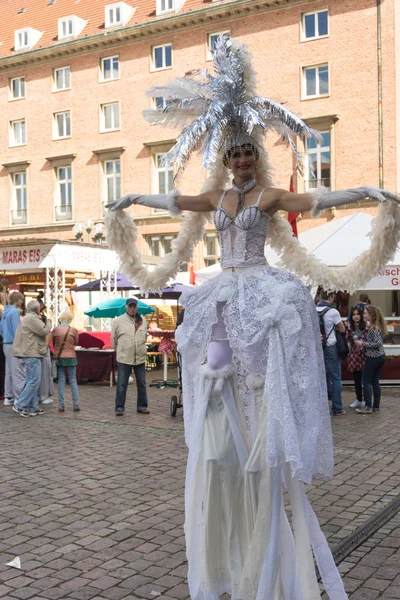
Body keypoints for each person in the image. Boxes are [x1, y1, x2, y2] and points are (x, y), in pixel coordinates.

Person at [105, 37, 400, 600]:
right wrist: (128, 198)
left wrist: (367, 191)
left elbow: (316, 201)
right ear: (224, 158)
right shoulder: (216, 199)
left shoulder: (266, 197)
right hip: (223, 295)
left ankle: (267, 442)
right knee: (215, 375)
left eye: (247, 152)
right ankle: (228, 444)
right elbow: (173, 204)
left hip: (258, 291)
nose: (241, 159)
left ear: (255, 157)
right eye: (234, 152)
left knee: (263, 376)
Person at [12, 300, 52, 417]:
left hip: (30, 352)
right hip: (32, 352)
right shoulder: (32, 318)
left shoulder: (28, 318)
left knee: (31, 381)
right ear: (37, 309)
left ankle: (32, 407)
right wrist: (49, 323)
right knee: (34, 381)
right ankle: (20, 404)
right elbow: (44, 331)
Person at [112, 298, 149, 416]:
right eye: (130, 306)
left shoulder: (142, 320)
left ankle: (142, 406)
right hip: (124, 357)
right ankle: (119, 407)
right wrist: (119, 351)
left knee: (142, 383)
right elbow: (114, 339)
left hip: (140, 357)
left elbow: (145, 337)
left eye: (134, 306)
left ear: (137, 307)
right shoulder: (118, 321)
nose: (132, 308)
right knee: (122, 384)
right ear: (126, 307)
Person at [317, 291, 346, 416]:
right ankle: (337, 408)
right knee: (335, 377)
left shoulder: (311, 310)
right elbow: (342, 329)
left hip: (316, 347)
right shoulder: (333, 312)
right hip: (330, 346)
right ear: (330, 297)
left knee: (319, 378)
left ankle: (320, 410)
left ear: (319, 297)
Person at [355, 305, 387, 414]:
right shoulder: (374, 326)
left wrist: (362, 343)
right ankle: (376, 406)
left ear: (371, 315)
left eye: (365, 313)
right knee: (375, 381)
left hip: (373, 357)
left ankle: (368, 406)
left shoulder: (374, 328)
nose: (363, 315)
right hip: (380, 357)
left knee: (366, 381)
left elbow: (377, 343)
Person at [0, 291, 25, 406]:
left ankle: (8, 396)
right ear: (17, 300)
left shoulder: (4, 312)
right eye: (21, 299)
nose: (22, 302)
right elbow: (17, 331)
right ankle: (19, 397)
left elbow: (1, 330)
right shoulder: (14, 312)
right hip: (14, 344)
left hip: (5, 344)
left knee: (9, 371)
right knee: (18, 372)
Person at [52, 309, 79, 412]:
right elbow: (76, 343)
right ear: (70, 319)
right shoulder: (74, 330)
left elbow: (54, 343)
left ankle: (61, 405)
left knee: (61, 380)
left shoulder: (56, 330)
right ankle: (76, 404)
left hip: (60, 357)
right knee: (73, 380)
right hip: (71, 356)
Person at [346, 307, 367, 409]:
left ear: (361, 315)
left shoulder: (366, 326)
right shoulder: (350, 326)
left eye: (358, 314)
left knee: (366, 379)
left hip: (365, 354)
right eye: (354, 314)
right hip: (354, 355)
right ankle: (359, 399)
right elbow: (348, 338)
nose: (356, 316)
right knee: (357, 379)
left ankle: (366, 400)